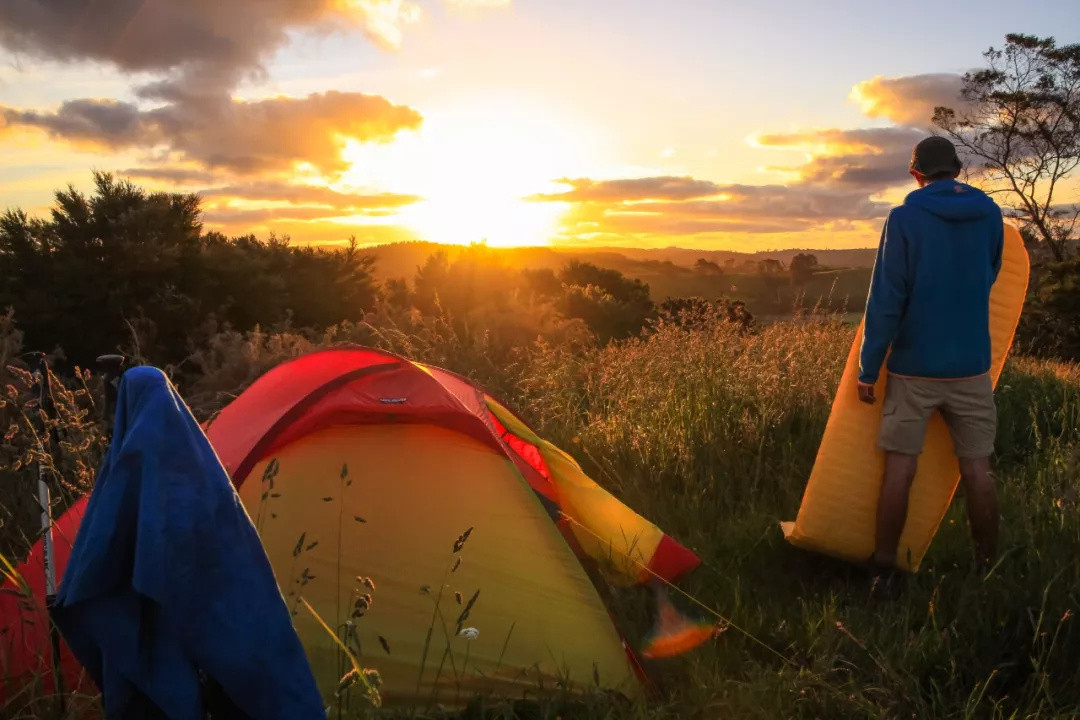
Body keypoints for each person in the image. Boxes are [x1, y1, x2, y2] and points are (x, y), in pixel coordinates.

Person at [857, 135, 1004, 588]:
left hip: (914, 367)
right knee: (978, 470)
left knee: (901, 468)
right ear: (956, 170)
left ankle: (884, 570)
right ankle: (988, 567)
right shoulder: (991, 214)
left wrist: (869, 367)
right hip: (972, 366)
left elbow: (887, 297)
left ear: (916, 174)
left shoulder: (904, 217)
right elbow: (991, 274)